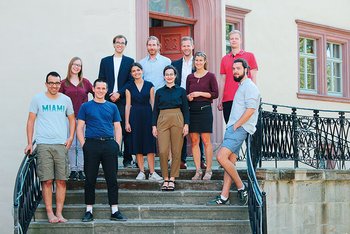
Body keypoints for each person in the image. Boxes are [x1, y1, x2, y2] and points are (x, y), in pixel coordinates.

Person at [207, 58, 260, 206]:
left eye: (238, 68)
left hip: (239, 129)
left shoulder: (250, 87)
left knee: (221, 157)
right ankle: (224, 196)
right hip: (234, 128)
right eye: (234, 69)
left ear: (246, 70)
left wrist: (237, 125)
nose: (235, 71)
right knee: (229, 162)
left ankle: (241, 187)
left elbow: (251, 109)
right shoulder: (242, 86)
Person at [24, 71, 75, 223]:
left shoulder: (66, 100)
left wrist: (71, 137)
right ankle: (49, 213)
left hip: (60, 145)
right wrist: (29, 142)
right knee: (46, 180)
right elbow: (30, 121)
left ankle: (59, 213)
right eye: (51, 83)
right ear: (46, 84)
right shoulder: (37, 99)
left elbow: (72, 119)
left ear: (60, 84)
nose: (54, 86)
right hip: (43, 144)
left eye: (57, 83)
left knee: (61, 180)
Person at [77, 79, 127, 222]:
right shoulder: (85, 107)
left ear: (106, 90)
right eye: (98, 88)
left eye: (103, 88)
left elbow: (117, 127)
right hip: (91, 145)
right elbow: (80, 127)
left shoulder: (112, 107)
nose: (100, 90)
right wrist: (83, 144)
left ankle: (115, 210)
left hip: (109, 145)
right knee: (90, 179)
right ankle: (89, 210)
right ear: (93, 89)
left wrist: (117, 145)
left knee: (112, 179)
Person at [98, 34, 135, 168]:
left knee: (125, 129)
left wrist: (119, 93)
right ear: (114, 44)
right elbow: (101, 78)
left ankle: (127, 158)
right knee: (107, 128)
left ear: (125, 45)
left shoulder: (130, 61)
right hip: (107, 99)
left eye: (122, 43)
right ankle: (107, 157)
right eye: (117, 42)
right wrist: (109, 93)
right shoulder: (105, 61)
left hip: (123, 100)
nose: (120, 45)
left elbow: (131, 81)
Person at [152, 65, 189, 191]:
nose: (169, 76)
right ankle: (165, 177)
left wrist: (186, 124)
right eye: (167, 74)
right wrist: (153, 126)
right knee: (162, 151)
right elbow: (155, 110)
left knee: (176, 150)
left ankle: (172, 178)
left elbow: (185, 109)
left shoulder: (181, 91)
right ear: (164, 76)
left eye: (171, 74)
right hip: (162, 118)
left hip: (178, 117)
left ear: (175, 76)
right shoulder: (159, 92)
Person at [171, 36, 206, 170]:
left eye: (188, 45)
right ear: (181, 47)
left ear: (192, 46)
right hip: (179, 99)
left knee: (196, 128)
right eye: (183, 46)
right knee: (181, 129)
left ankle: (201, 159)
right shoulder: (175, 64)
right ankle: (181, 160)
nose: (186, 48)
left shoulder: (197, 62)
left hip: (195, 99)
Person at [125, 63, 162, 181]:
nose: (136, 72)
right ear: (131, 74)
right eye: (134, 71)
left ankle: (152, 172)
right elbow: (128, 105)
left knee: (150, 144)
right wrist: (127, 122)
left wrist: (154, 122)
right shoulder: (129, 87)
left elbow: (153, 104)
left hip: (148, 116)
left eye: (138, 70)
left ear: (142, 71)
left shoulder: (150, 85)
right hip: (134, 117)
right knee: (137, 144)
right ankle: (141, 171)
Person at [59, 57, 93, 181]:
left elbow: (97, 94)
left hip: (83, 118)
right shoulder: (63, 83)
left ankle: (81, 169)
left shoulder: (85, 82)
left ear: (81, 68)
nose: (76, 67)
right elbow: (58, 99)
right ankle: (73, 169)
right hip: (69, 118)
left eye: (79, 65)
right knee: (72, 144)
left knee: (82, 144)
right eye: (74, 64)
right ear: (70, 65)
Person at [186, 52, 218, 180]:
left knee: (206, 141)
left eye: (201, 60)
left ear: (205, 61)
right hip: (192, 111)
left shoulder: (210, 76)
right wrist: (188, 96)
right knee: (194, 141)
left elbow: (215, 94)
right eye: (196, 60)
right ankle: (198, 170)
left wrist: (200, 93)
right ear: (194, 62)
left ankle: (209, 170)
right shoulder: (190, 77)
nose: (198, 62)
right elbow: (187, 94)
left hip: (205, 110)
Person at [218, 30, 258, 124]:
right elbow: (223, 80)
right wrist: (220, 98)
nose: (234, 40)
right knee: (230, 128)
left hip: (244, 98)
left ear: (241, 41)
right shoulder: (224, 59)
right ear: (229, 41)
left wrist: (254, 97)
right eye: (232, 38)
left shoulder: (249, 56)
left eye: (236, 38)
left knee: (244, 129)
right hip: (228, 99)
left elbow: (253, 77)